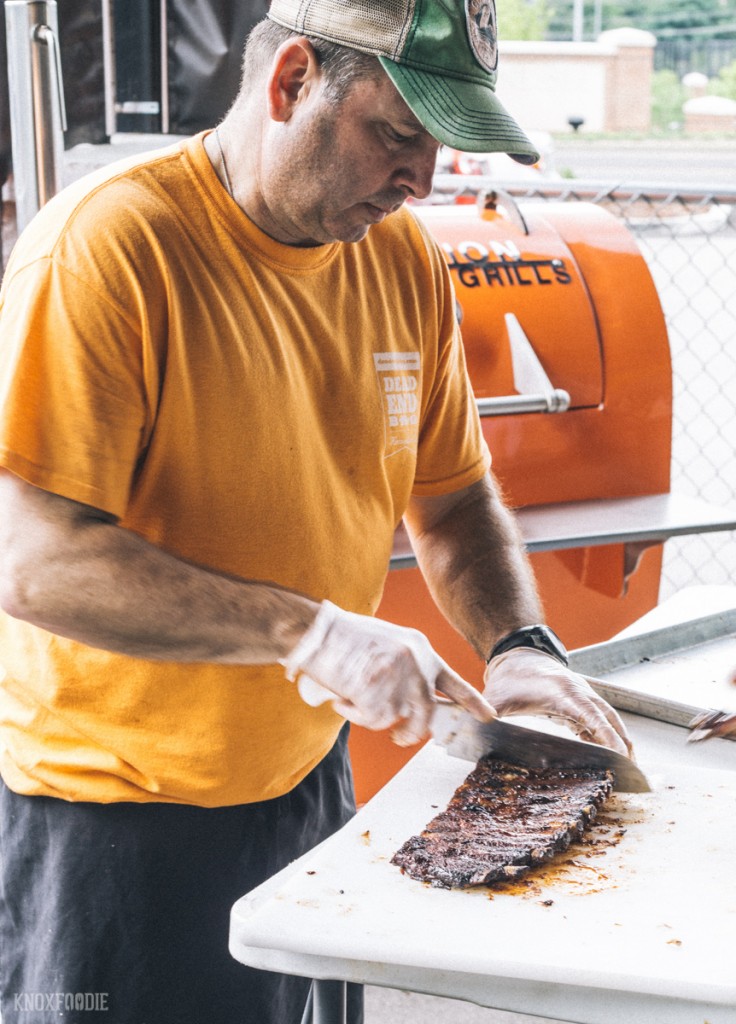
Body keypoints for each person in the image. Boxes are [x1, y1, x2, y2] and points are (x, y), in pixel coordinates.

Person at [0, 2, 633, 1022]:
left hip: (306, 783)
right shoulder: (112, 247)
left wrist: (519, 645)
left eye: (440, 148)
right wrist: (311, 633)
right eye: (398, 134)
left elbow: (456, 491)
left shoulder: (401, 260)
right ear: (292, 79)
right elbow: (36, 564)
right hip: (117, 824)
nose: (422, 180)